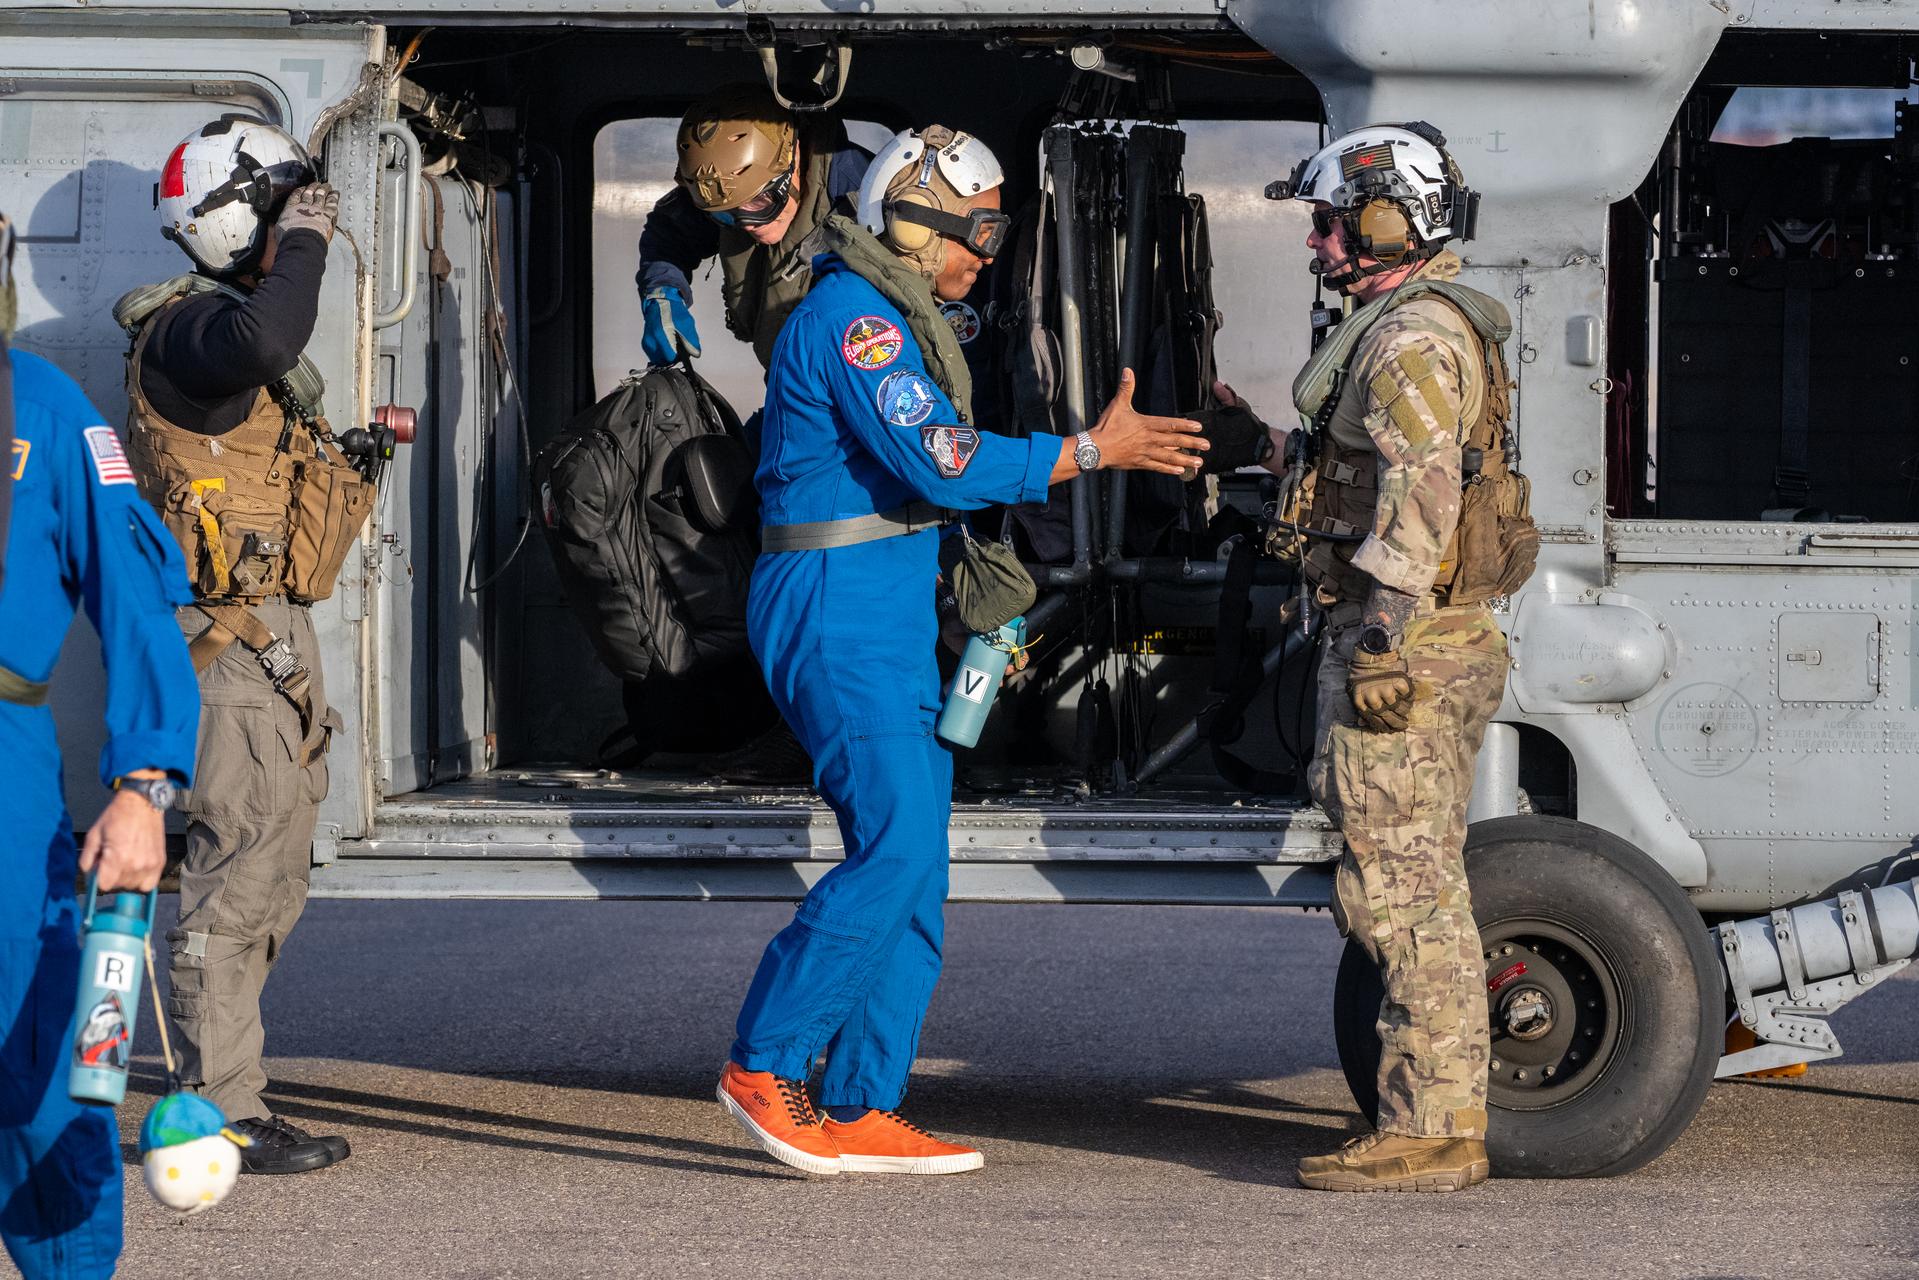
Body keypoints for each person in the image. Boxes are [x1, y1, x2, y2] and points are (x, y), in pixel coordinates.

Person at [714, 125, 1209, 1176]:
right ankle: (767, 1063)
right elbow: (939, 462)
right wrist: (1089, 451)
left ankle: (856, 1100)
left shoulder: (901, 316)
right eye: (975, 232)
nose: (983, 254)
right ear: (918, 220)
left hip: (882, 601)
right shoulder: (857, 324)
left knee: (917, 867)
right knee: (893, 847)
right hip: (835, 604)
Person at [1252, 122, 1533, 1192]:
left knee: (1403, 890)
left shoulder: (1409, 338)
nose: (1317, 244)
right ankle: (1436, 1113)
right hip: (1429, 634)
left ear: (1382, 222)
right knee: (1408, 879)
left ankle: (1432, 1127)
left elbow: (1423, 489)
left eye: (1329, 224)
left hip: (1403, 639)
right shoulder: (1404, 326)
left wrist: (1378, 631)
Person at [121, 116, 368, 1174]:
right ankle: (215, 1105)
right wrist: (302, 243)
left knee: (274, 877)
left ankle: (224, 1077)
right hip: (230, 653)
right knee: (232, 882)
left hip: (270, 641)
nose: (294, 227)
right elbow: (269, 341)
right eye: (280, 207)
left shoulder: (221, 326)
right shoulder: (189, 337)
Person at [0, 208, 200, 1278]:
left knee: (45, 1079)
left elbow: (136, 603)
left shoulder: (41, 410)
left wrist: (143, 784)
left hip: (6, 777)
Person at [636, 82, 872, 371]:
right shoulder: (723, 190)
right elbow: (670, 233)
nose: (748, 225)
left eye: (760, 202)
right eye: (726, 216)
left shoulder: (863, 196)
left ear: (793, 158)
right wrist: (662, 289)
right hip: (786, 386)